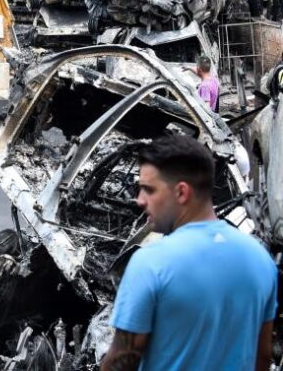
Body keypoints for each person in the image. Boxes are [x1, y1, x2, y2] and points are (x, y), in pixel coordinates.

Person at [101, 135, 275, 371]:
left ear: (181, 192)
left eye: (148, 190)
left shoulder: (151, 263)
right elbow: (262, 359)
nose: (140, 200)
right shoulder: (261, 261)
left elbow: (121, 363)